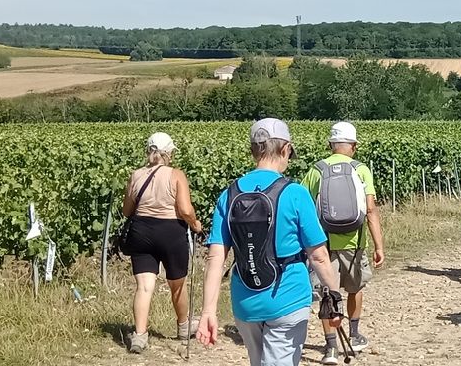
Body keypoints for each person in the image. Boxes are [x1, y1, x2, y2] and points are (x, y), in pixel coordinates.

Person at [196, 118, 347, 366]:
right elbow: (318, 255)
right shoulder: (295, 193)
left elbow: (215, 257)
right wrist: (333, 296)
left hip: (245, 301)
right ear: (285, 149)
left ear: (254, 150)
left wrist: (208, 312)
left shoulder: (229, 195)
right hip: (288, 299)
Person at [301, 122, 386, 364]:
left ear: (330, 145)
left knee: (328, 292)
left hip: (322, 244)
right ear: (354, 146)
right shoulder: (361, 170)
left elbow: (304, 209)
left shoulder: (315, 171)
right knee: (355, 288)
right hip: (355, 241)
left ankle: (330, 349)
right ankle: (355, 334)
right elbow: (370, 210)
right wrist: (379, 246)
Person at [122, 132, 207, 354]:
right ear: (169, 153)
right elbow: (185, 210)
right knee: (177, 284)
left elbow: (126, 210)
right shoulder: (176, 175)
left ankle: (139, 336)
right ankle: (183, 326)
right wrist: (195, 224)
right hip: (170, 232)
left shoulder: (136, 175)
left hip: (141, 232)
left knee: (144, 286)